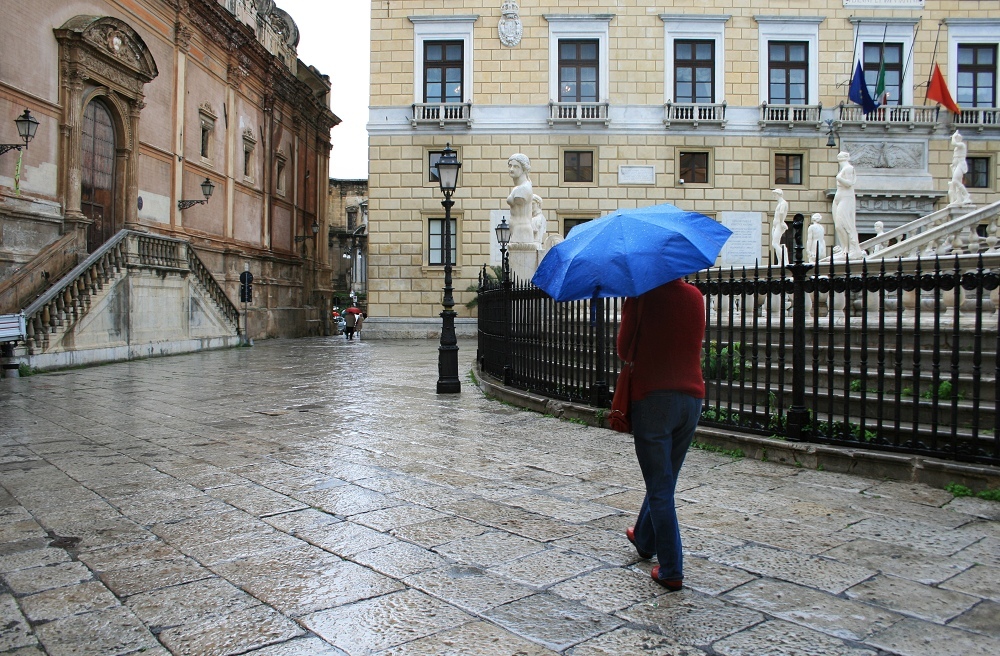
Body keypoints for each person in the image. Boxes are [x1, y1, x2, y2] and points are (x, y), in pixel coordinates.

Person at [617, 279, 705, 592]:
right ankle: (643, 536)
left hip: (653, 398)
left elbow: (623, 349)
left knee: (660, 486)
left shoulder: (641, 295)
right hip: (691, 399)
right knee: (664, 479)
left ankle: (671, 569)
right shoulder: (695, 296)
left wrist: (632, 303)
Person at [832, 151, 862, 259]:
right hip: (838, 197)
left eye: (841, 156)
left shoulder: (849, 168)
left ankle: (853, 249)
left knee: (845, 224)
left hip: (846, 197)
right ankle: (845, 249)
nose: (839, 157)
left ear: (845, 158)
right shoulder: (843, 169)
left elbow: (849, 184)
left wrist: (839, 178)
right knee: (838, 226)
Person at [506, 154, 535, 244]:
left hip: (521, 230)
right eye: (510, 166)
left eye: (516, 166)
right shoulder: (519, 187)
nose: (511, 169)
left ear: (524, 169)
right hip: (517, 230)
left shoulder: (523, 188)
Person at [949, 131, 972, 207]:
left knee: (955, 180)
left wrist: (953, 136)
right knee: (956, 182)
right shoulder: (957, 147)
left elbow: (953, 143)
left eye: (956, 138)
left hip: (960, 164)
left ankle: (966, 195)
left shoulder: (962, 145)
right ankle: (959, 199)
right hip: (956, 164)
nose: (954, 139)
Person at [771, 189, 789, 264]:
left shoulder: (783, 203)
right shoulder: (780, 203)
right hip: (775, 225)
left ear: (778, 194)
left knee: (774, 243)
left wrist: (781, 222)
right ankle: (780, 261)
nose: (774, 196)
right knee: (777, 244)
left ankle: (784, 260)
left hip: (779, 224)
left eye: (775, 195)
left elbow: (781, 213)